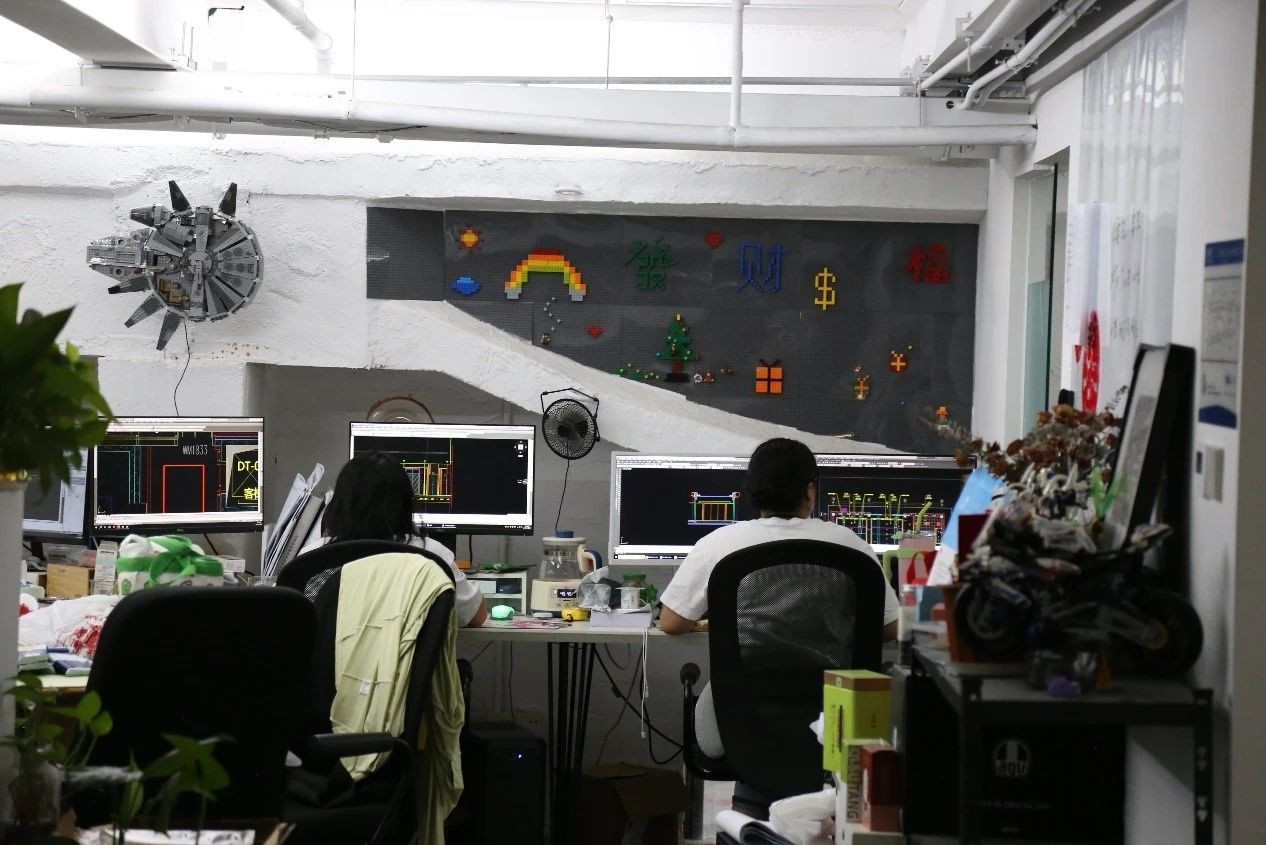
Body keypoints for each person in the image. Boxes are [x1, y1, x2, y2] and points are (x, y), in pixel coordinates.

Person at [659, 437, 898, 758]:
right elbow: (889, 629)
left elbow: (671, 622)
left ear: (753, 491)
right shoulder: (851, 544)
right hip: (833, 714)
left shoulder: (718, 544)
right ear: (810, 491)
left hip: (743, 715)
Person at [299, 453, 489, 627]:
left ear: (340, 503)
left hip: (333, 656)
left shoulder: (312, 557)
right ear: (405, 504)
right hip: (405, 656)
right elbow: (475, 616)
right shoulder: (431, 554)